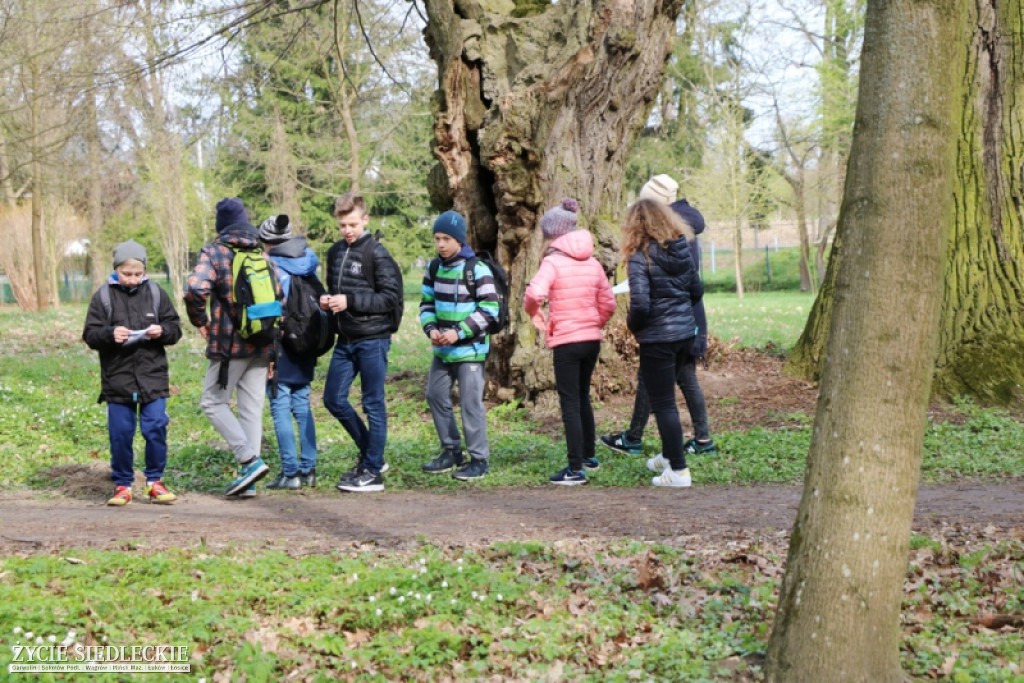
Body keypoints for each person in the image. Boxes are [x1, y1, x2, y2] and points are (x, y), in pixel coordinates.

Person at [599, 174, 718, 457]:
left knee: (653, 381)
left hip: (665, 323)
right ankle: (701, 439)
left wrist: (637, 323)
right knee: (685, 377)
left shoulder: (665, 232)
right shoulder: (683, 230)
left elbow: (648, 296)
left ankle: (640, 441)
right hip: (688, 318)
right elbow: (694, 286)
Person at [184, 197, 278, 497]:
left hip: (229, 347)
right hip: (262, 343)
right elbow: (278, 303)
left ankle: (248, 459)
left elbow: (195, 289)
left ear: (221, 225)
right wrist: (272, 350)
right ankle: (248, 481)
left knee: (212, 402)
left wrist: (200, 320)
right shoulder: (262, 255)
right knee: (251, 410)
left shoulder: (215, 252)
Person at [82, 240, 183, 506]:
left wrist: (163, 331)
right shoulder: (103, 297)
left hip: (153, 376)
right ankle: (123, 484)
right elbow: (90, 335)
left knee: (156, 428)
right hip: (118, 379)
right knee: (121, 433)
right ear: (116, 270)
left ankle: (155, 482)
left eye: (138, 273)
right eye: (127, 273)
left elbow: (175, 328)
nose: (133, 279)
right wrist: (109, 334)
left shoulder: (157, 293)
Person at [524, 199, 616, 485]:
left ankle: (575, 469)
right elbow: (609, 302)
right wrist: (595, 322)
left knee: (569, 402)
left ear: (551, 234)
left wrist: (536, 316)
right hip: (591, 339)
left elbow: (534, 294)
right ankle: (589, 455)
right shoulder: (593, 262)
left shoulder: (552, 262)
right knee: (583, 396)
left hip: (567, 341)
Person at [622, 198, 712, 487]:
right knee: (667, 401)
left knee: (664, 404)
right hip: (685, 334)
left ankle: (679, 471)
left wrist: (635, 327)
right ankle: (669, 454)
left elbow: (640, 304)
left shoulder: (640, 257)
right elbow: (696, 290)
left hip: (658, 338)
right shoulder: (681, 250)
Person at [321, 192, 403, 493]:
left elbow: (391, 298)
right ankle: (373, 455)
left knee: (373, 404)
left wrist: (350, 300)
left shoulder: (377, 253)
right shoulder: (334, 253)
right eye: (342, 225)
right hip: (345, 339)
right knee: (333, 399)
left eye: (353, 224)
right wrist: (328, 301)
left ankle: (372, 472)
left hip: (374, 340)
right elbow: (336, 291)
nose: (347, 230)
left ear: (365, 219)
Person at [419, 210, 500, 481]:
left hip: (470, 351)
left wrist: (458, 332)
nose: (441, 244)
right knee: (434, 394)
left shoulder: (476, 269)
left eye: (446, 239)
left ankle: (479, 459)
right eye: (437, 238)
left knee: (470, 403)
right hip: (442, 351)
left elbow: (490, 309)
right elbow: (426, 303)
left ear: (459, 240)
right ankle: (451, 450)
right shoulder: (433, 268)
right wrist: (431, 329)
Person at [259, 215, 320, 490]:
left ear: (268, 243)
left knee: (280, 406)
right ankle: (309, 469)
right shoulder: (308, 262)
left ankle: (290, 472)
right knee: (303, 406)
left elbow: (270, 309)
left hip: (281, 344)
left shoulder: (272, 267)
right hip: (307, 343)